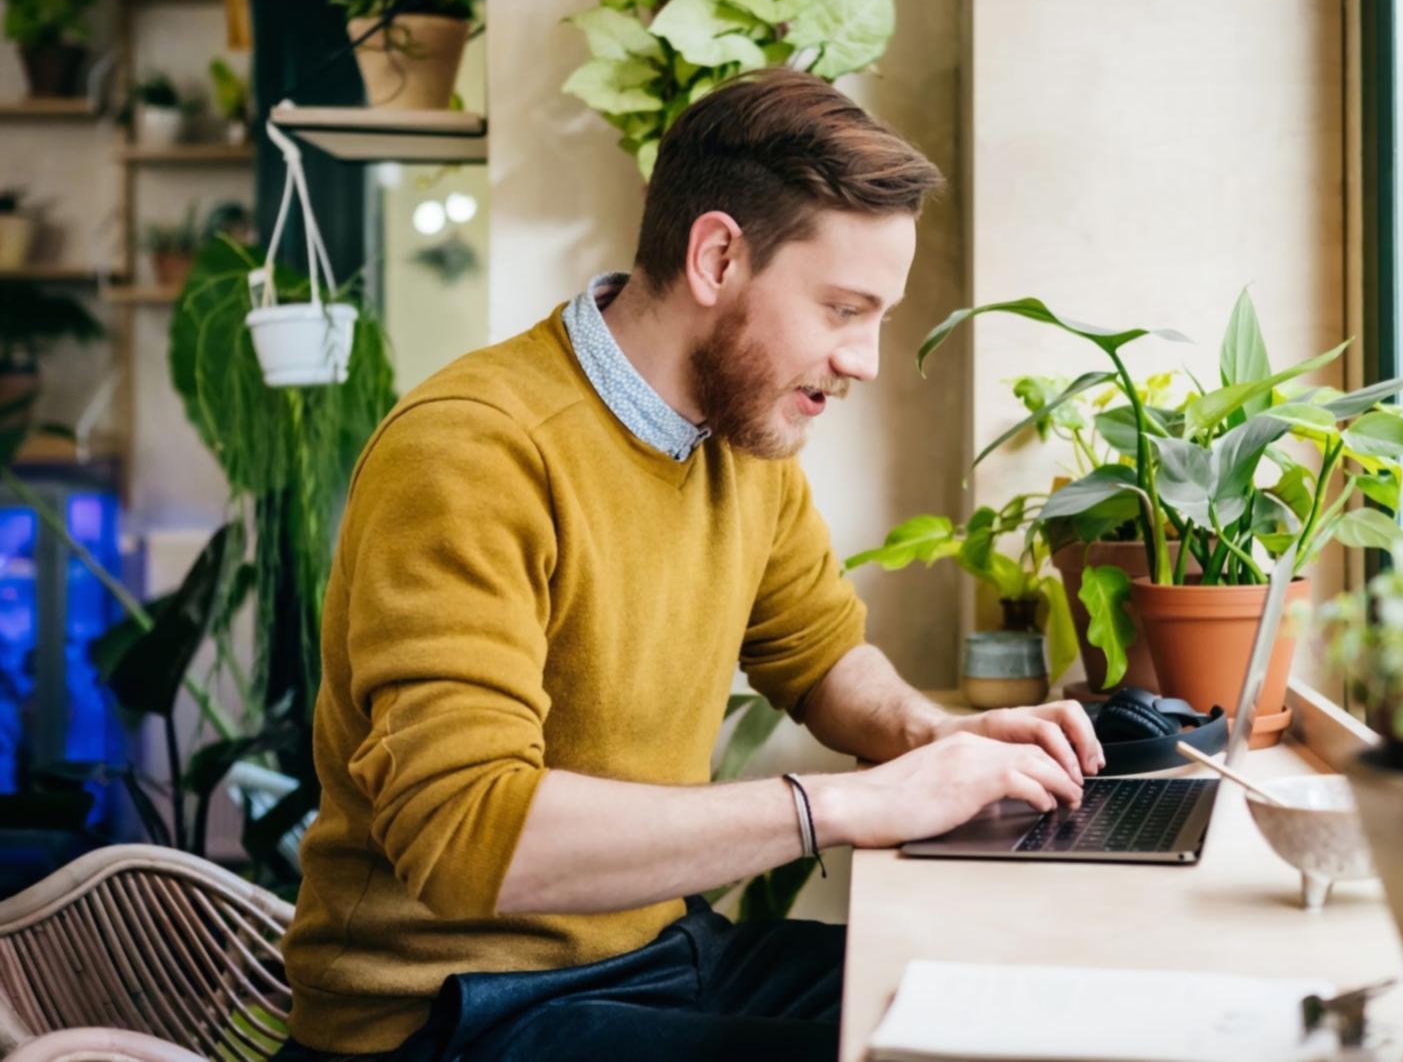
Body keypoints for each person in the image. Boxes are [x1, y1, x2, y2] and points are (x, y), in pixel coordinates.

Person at [277, 68, 1103, 1061]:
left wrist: (940, 738)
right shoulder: (472, 450)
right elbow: (466, 833)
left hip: (654, 951)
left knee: (1013, 1005)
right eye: (844, 308)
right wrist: (843, 803)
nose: (866, 360)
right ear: (716, 255)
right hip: (446, 1014)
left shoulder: (741, 437)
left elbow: (821, 657)